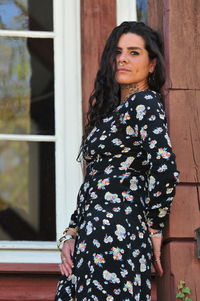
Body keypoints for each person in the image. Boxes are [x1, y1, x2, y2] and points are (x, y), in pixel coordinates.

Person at [54, 21, 180, 301]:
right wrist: (71, 233)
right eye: (118, 51)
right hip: (90, 234)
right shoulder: (110, 114)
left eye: (134, 52)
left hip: (119, 234)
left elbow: (165, 168)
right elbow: (95, 182)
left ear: (151, 65)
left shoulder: (145, 102)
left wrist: (155, 226)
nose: (122, 58)